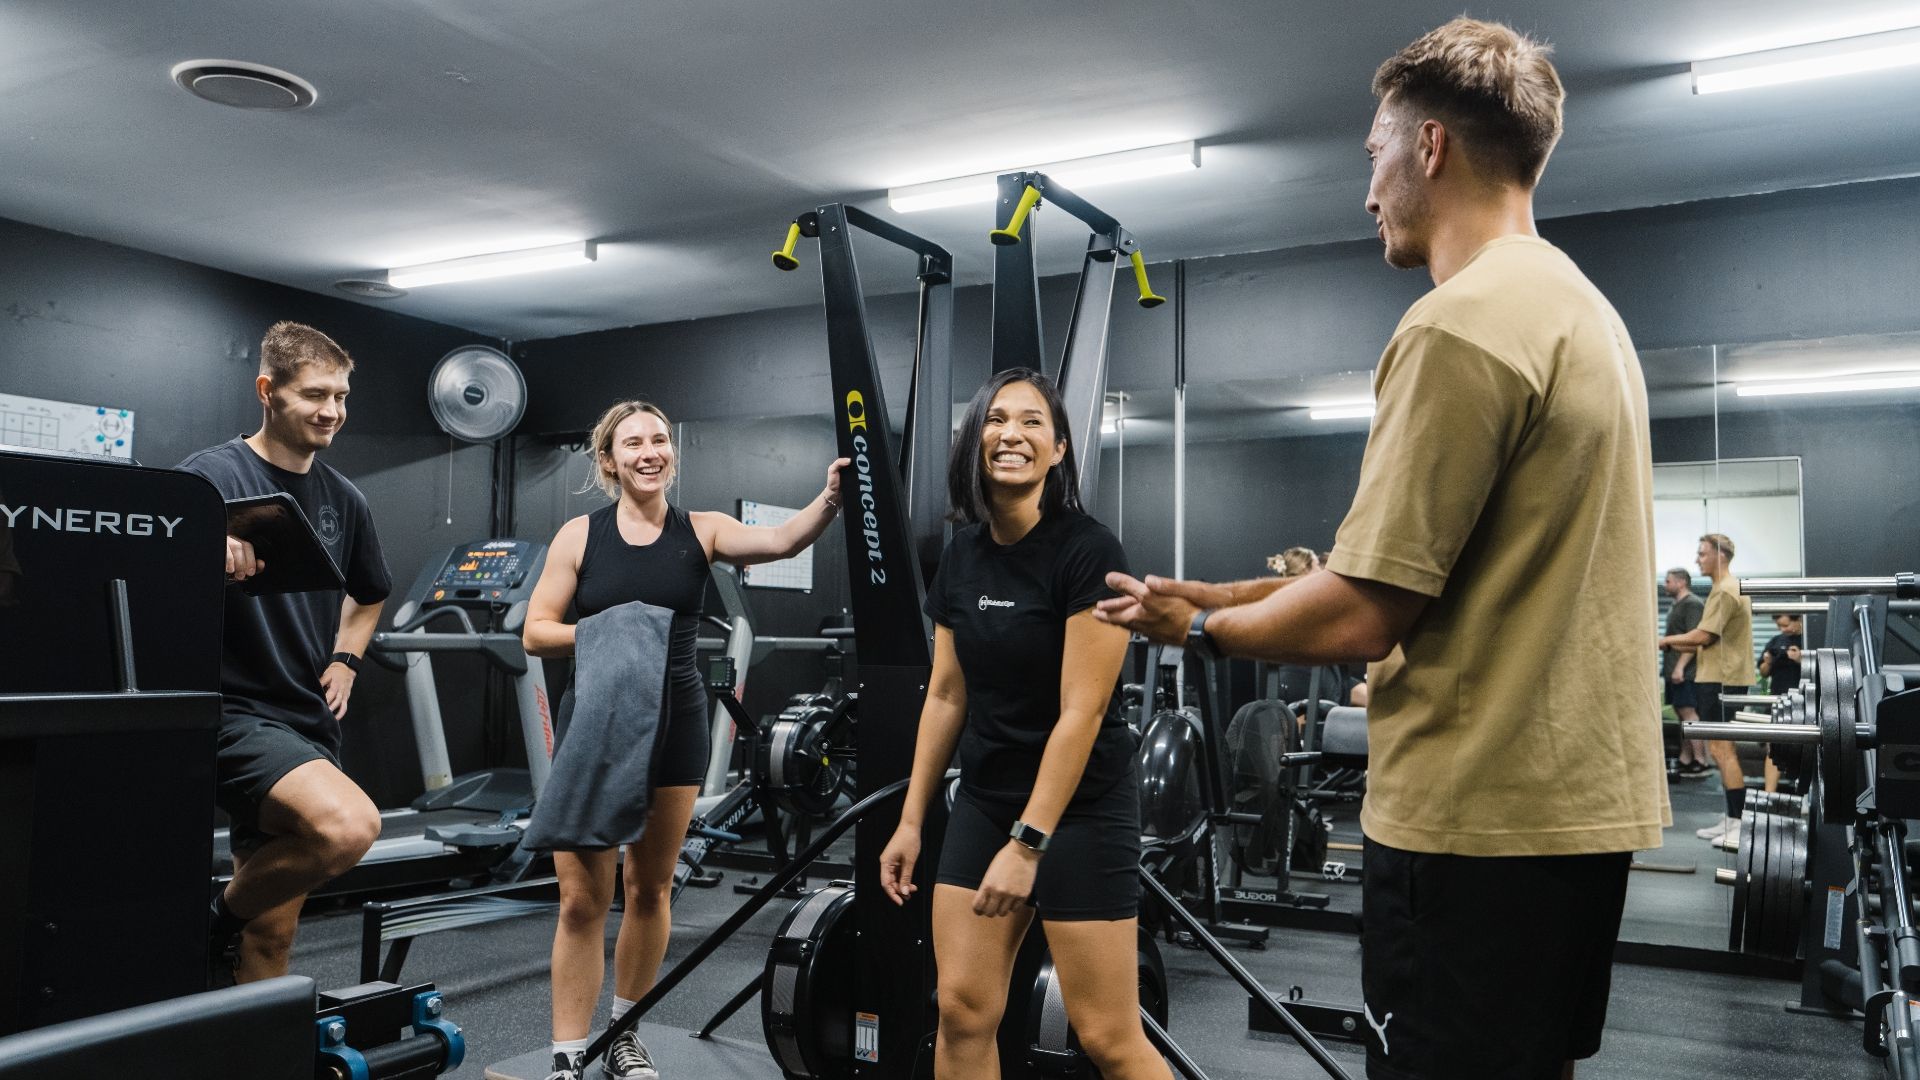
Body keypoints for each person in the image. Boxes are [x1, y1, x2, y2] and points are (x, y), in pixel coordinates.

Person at [1093, 18, 1668, 1079]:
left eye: (1375, 156)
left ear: (1432, 148)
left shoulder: (1457, 324)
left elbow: (1366, 611)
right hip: (1567, 819)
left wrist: (1203, 629)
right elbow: (1442, 572)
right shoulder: (1578, 309)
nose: (1368, 190)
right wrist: (1221, 589)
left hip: (1471, 822)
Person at [521, 400, 847, 1080]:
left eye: (660, 440)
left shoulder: (702, 530)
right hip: (599, 726)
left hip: (676, 724)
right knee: (582, 898)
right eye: (633, 442)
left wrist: (830, 499)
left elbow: (783, 541)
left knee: (650, 889)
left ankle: (624, 1035)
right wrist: (618, 629)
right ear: (608, 460)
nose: (650, 452)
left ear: (672, 453)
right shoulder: (581, 536)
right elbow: (536, 631)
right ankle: (566, 1053)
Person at [877, 369, 1169, 1080]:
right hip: (985, 799)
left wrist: (1028, 844)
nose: (1012, 434)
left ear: (1060, 450)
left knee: (1107, 1035)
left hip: (1080, 811)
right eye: (997, 419)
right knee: (962, 1010)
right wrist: (912, 821)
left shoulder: (1088, 552)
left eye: (1033, 422)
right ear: (976, 440)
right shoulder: (963, 556)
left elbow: (1083, 711)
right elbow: (946, 696)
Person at [178, 321, 391, 986]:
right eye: (315, 395)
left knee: (270, 933)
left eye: (342, 396)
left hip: (305, 717)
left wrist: (346, 660)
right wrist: (199, 554)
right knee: (349, 827)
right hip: (231, 711)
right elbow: (143, 579)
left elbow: (370, 595)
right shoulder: (207, 478)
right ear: (268, 391)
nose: (333, 411)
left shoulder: (343, 499)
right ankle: (213, 916)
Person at [1658, 533, 1755, 849]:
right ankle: (1731, 818)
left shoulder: (1726, 591)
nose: (1697, 558)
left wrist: (1662, 641)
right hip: (1716, 676)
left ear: (1720, 555)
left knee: (1723, 751)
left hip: (1722, 679)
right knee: (1719, 750)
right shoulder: (1721, 589)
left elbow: (1703, 636)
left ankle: (1739, 823)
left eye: (1702, 553)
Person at [1662, 567, 1709, 777]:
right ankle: (1686, 758)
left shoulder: (1692, 604)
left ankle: (1700, 759)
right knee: (1682, 714)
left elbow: (1695, 639)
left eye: (1668, 581)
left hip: (1686, 671)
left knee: (1689, 713)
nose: (1665, 584)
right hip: (1673, 669)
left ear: (1681, 582)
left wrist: (1681, 667)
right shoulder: (1677, 605)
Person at [1758, 612, 1804, 792]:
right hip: (1777, 699)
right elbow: (1762, 672)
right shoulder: (1775, 641)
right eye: (1779, 626)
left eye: (1785, 625)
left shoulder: (1809, 639)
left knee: (1804, 747)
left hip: (1802, 700)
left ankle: (1804, 792)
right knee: (1773, 746)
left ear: (1798, 619)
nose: (1783, 630)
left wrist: (1801, 659)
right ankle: (1769, 793)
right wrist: (1768, 662)